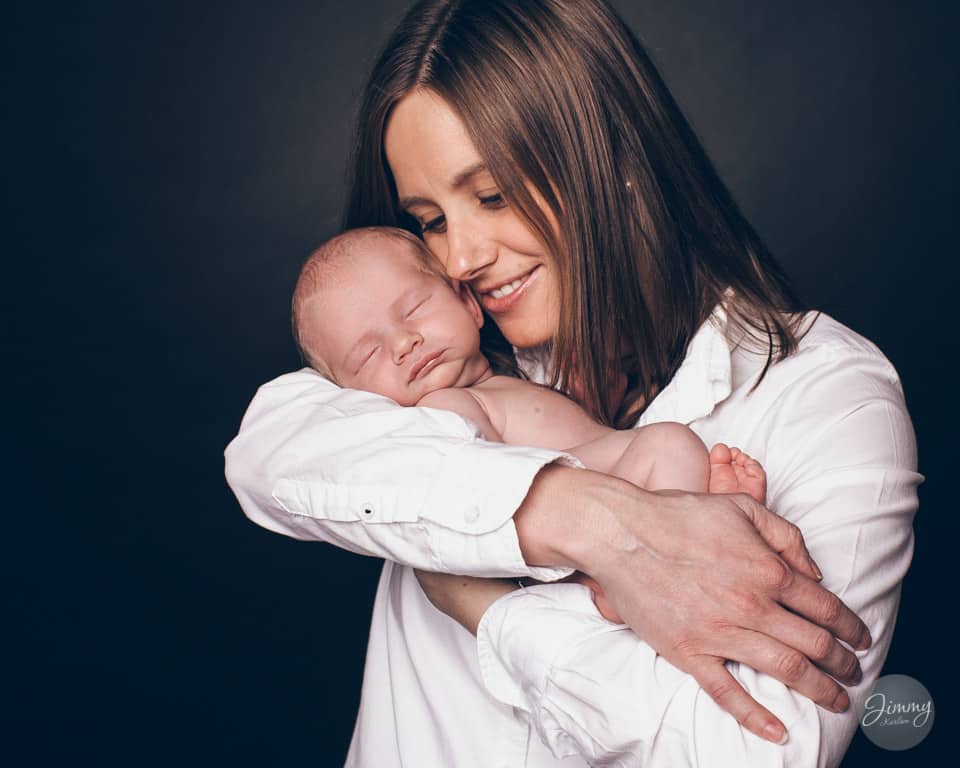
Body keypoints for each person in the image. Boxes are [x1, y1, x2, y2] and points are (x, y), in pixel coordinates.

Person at [224, 1, 921, 765]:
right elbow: (266, 453)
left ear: (615, 160)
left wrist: (490, 612)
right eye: (428, 220)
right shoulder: (439, 367)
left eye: (490, 196)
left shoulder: (825, 394)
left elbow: (755, 751)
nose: (458, 260)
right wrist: (584, 520)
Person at [291, 225, 766, 616]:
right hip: (585, 523)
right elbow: (478, 482)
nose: (403, 343)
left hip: (609, 486)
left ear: (469, 304)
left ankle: (699, 523)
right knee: (671, 444)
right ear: (353, 398)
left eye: (414, 309)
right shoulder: (443, 410)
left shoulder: (507, 376)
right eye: (369, 353)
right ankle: (645, 563)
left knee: (668, 446)